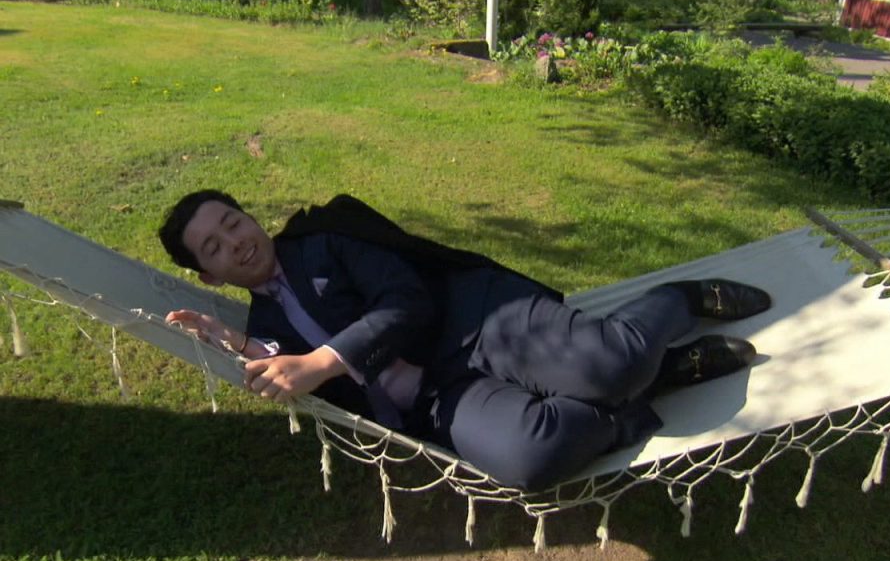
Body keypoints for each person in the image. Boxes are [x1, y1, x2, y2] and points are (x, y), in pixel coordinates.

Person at [158, 190, 770, 491]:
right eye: (213, 247)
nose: (234, 241)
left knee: (611, 360)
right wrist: (241, 347)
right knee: (531, 460)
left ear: (249, 216)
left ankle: (680, 301)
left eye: (232, 222)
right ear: (209, 276)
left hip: (477, 321)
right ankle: (654, 381)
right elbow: (319, 390)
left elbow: (408, 302)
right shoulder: (265, 331)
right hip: (437, 397)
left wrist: (322, 360)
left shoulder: (325, 240)